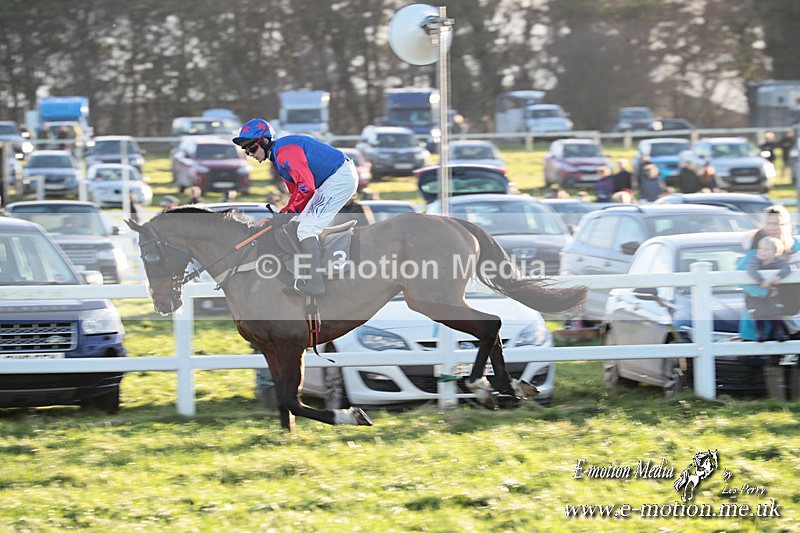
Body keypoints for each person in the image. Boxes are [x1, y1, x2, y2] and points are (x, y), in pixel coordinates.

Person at [232, 118, 358, 296]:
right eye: (246, 151)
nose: (250, 154)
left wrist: (288, 213)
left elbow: (307, 188)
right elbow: (296, 194)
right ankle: (306, 271)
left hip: (339, 178)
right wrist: (284, 214)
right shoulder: (278, 159)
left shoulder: (285, 153)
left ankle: (316, 282)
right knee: (296, 224)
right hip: (332, 178)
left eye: (252, 148)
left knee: (306, 229)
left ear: (265, 141)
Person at [738, 204, 800, 342]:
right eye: (768, 223)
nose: (772, 228)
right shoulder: (756, 251)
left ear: (787, 225)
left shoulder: (798, 249)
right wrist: (765, 291)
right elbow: (741, 278)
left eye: (777, 223)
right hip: (764, 318)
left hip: (795, 316)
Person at [744, 236, 791, 342]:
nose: (762, 251)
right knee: (759, 313)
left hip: (773, 293)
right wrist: (761, 281)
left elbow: (787, 268)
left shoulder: (778, 262)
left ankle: (779, 332)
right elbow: (751, 270)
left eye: (766, 249)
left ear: (776, 252)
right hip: (755, 296)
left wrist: (779, 276)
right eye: (760, 248)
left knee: (775, 311)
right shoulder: (755, 260)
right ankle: (760, 333)